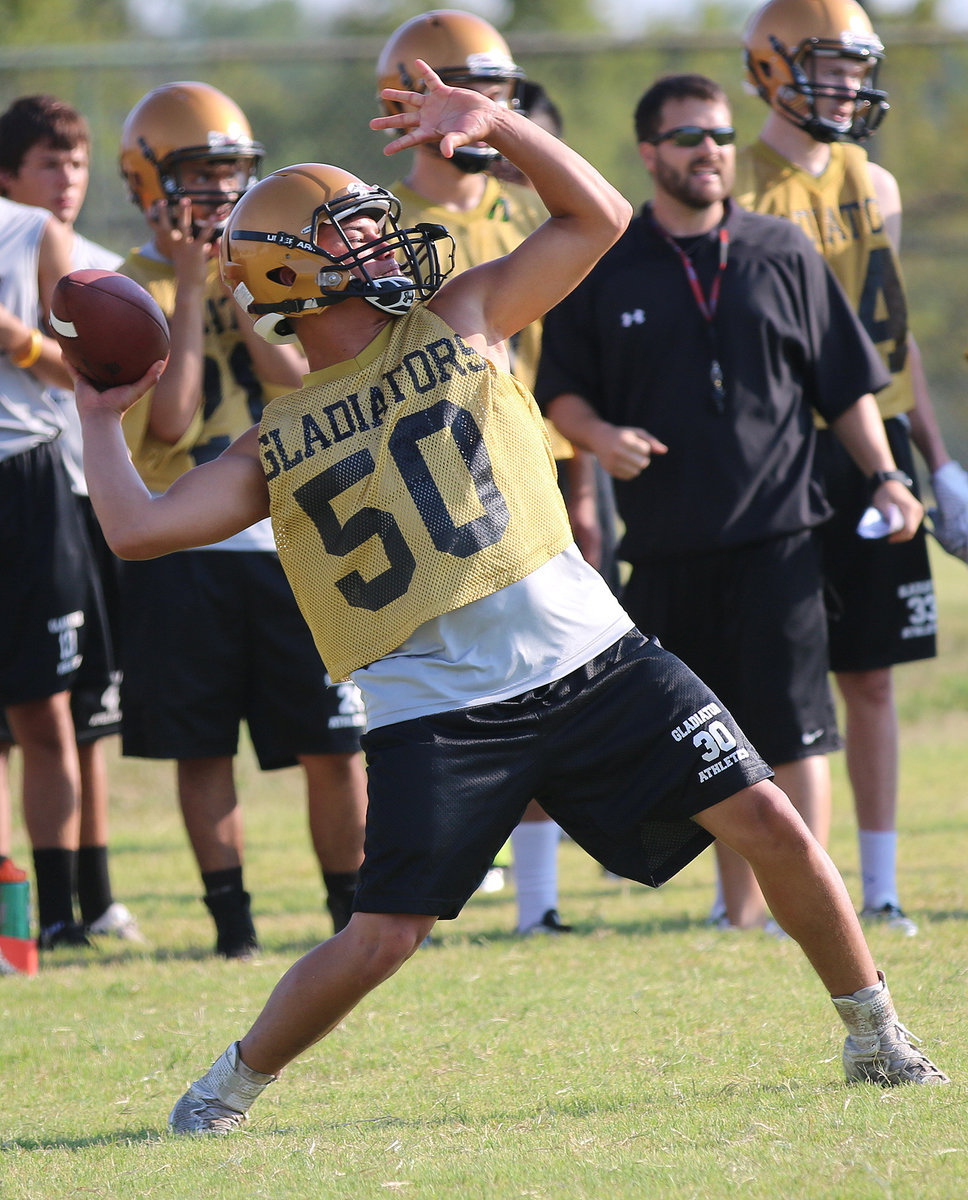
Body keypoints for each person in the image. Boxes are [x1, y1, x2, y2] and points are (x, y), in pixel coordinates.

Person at [70, 62, 946, 1132]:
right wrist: (99, 416)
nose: (377, 240)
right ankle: (226, 1088)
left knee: (764, 814)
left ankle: (872, 1030)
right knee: (382, 935)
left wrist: (497, 127)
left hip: (593, 658)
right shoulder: (276, 440)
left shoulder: (462, 314)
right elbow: (133, 528)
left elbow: (600, 213)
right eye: (345, 234)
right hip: (435, 708)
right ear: (293, 279)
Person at [535, 72, 928, 932]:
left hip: (783, 537)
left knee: (796, 733)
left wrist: (890, 476)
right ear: (648, 155)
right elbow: (558, 389)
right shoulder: (606, 264)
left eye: (718, 135)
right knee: (705, 741)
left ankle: (804, 911)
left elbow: (849, 387)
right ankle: (736, 910)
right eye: (687, 138)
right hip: (668, 544)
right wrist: (597, 436)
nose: (709, 150)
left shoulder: (783, 251)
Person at [114, 81, 368, 957]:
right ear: (147, 180)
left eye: (233, 173)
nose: (220, 193)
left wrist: (240, 282)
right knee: (203, 744)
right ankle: (234, 927)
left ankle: (352, 915)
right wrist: (189, 290)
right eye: (199, 173)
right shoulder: (130, 286)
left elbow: (296, 380)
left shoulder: (270, 262)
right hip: (188, 541)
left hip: (293, 538)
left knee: (335, 744)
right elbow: (175, 421)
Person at [737, 0, 968, 934]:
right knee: (772, 677)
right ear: (771, 66)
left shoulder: (875, 183)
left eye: (854, 68)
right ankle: (759, 895)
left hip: (875, 449)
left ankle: (879, 884)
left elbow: (894, 334)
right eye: (828, 66)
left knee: (871, 674)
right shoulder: (739, 182)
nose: (845, 86)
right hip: (781, 449)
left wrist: (938, 461)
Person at [375, 10, 585, 934]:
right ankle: (440, 876)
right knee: (458, 689)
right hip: (436, 494)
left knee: (557, 675)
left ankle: (537, 903)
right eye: (464, 89)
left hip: (535, 471)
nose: (480, 110)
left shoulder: (525, 210)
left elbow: (568, 353)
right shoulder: (377, 225)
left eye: (496, 93)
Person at [0, 93, 144, 944]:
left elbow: (83, 371)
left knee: (48, 708)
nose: (67, 181)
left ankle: (56, 918)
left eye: (73, 163)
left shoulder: (31, 236)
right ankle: (9, 927)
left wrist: (18, 338)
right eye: (50, 162)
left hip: (26, 484)